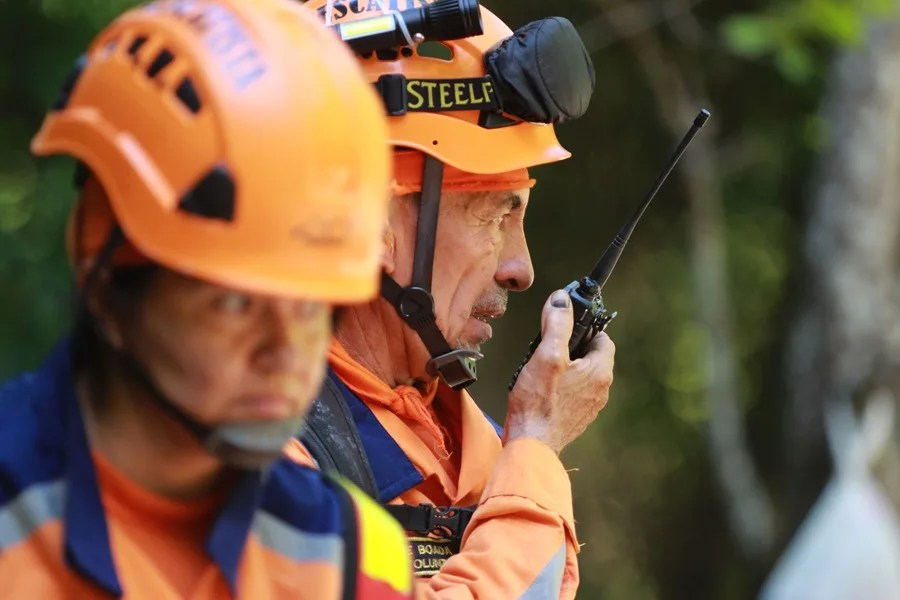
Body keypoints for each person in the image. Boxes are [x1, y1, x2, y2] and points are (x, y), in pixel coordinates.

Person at [0, 0, 413, 598]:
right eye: (238, 304)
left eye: (313, 308)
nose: (289, 354)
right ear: (106, 277)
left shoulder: (352, 556)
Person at [299, 2, 616, 597]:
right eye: (496, 215)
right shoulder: (253, 456)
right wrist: (536, 447)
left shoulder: (467, 443)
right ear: (374, 224)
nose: (520, 269)